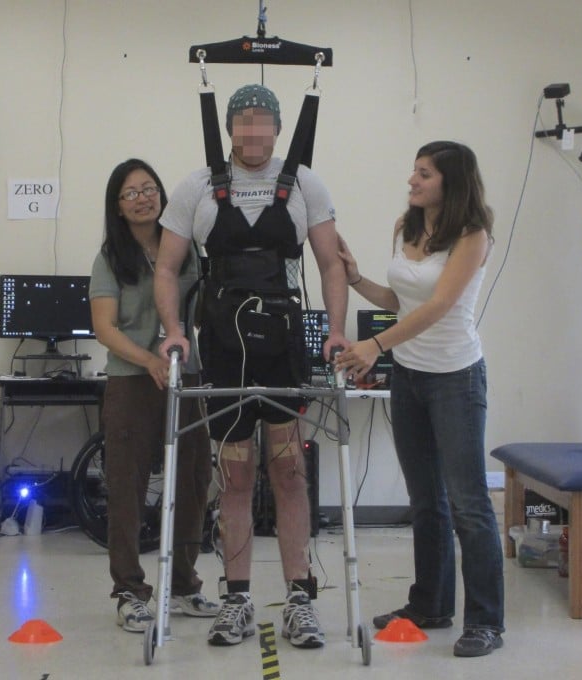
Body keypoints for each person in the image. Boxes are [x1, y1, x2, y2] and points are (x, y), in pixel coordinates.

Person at [153, 84, 349, 649]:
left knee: (289, 473)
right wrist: (174, 332)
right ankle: (236, 597)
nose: (254, 132)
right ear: (230, 128)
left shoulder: (304, 183)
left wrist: (335, 331)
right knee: (234, 476)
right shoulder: (197, 186)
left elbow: (330, 263)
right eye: (244, 122)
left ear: (279, 129)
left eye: (264, 122)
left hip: (283, 346)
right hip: (223, 349)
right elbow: (167, 268)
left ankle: (299, 599)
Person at [334, 141, 505, 657]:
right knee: (426, 501)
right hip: (410, 377)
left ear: (450, 183)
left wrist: (375, 345)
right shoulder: (407, 227)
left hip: (455, 379)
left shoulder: (473, 236)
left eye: (424, 174)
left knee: (469, 503)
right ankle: (429, 604)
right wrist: (356, 276)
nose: (412, 180)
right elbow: (399, 299)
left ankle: (486, 621)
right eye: (413, 171)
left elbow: (438, 304)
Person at [90, 158, 218, 633]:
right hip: (132, 379)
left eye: (150, 188)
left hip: (188, 377)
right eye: (131, 193)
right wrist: (148, 361)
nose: (143, 197)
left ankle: (184, 585)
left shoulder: (185, 250)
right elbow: (105, 327)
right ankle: (128, 590)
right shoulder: (110, 259)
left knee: (194, 479)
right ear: (118, 208)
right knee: (127, 484)